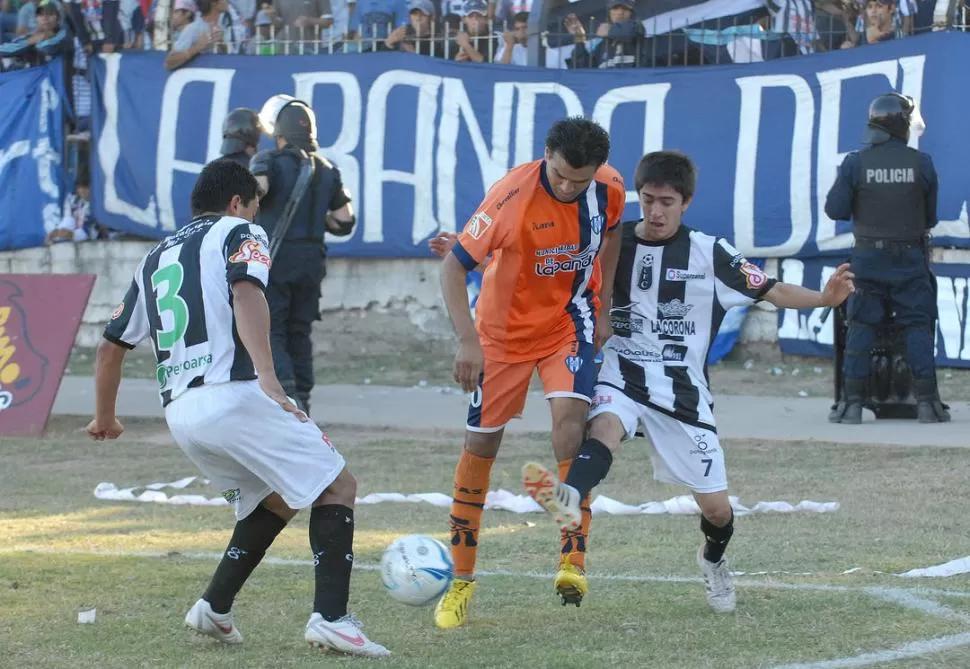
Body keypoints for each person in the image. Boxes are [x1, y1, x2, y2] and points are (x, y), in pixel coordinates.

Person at [514, 151, 855, 613]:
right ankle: (568, 496)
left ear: (686, 203)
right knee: (605, 430)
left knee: (716, 510)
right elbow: (546, 258)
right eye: (649, 200)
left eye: (667, 203)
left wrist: (823, 298)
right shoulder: (613, 243)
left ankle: (713, 559)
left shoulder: (710, 252)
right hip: (622, 370)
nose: (655, 212)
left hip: (682, 390)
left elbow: (772, 289)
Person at [86, 159, 389, 658]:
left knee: (277, 498)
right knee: (338, 484)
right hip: (234, 394)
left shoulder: (154, 256)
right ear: (236, 203)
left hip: (182, 413)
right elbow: (246, 289)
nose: (256, 214)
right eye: (254, 204)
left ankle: (214, 606)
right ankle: (332, 619)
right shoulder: (240, 231)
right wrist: (269, 377)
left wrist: (104, 416)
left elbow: (109, 347)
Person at [430, 117, 627, 629]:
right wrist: (468, 341)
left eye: (577, 180)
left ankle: (572, 563)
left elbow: (613, 233)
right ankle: (462, 581)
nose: (567, 186)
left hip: (568, 321)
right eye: (559, 175)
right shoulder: (510, 196)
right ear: (546, 155)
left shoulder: (609, 187)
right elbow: (453, 267)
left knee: (569, 429)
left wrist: (602, 305)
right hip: (499, 336)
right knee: (481, 450)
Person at [824, 92, 950, 424]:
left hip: (867, 258)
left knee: (861, 327)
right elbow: (931, 218)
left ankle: (851, 406)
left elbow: (834, 210)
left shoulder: (855, 162)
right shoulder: (921, 163)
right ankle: (927, 404)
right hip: (909, 258)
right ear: (901, 125)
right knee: (917, 326)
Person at [251, 94, 356, 417]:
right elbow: (344, 220)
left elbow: (256, 193)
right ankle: (305, 400)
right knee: (300, 330)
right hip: (312, 263)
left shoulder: (268, 160)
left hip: (277, 260)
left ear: (278, 131)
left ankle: (289, 398)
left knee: (274, 330)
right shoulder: (327, 169)